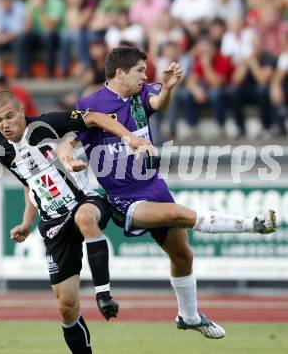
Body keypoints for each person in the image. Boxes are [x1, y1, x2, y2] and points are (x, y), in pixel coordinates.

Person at [61, 46, 276, 340]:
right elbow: (68, 138)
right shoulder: (90, 103)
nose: (145, 75)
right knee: (178, 214)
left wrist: (170, 88)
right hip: (125, 197)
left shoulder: (139, 93)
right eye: (139, 70)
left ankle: (188, 316)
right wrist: (69, 158)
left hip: (154, 186)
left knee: (183, 255)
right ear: (120, 73)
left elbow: (158, 102)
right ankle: (253, 224)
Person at [0, 90, 151, 354]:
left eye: (9, 116)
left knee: (85, 217)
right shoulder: (6, 153)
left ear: (21, 112)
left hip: (84, 201)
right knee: (66, 306)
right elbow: (30, 185)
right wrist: (25, 222)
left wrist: (131, 138)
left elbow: (95, 117)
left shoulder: (45, 125)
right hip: (53, 225)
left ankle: (103, 293)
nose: (5, 124)